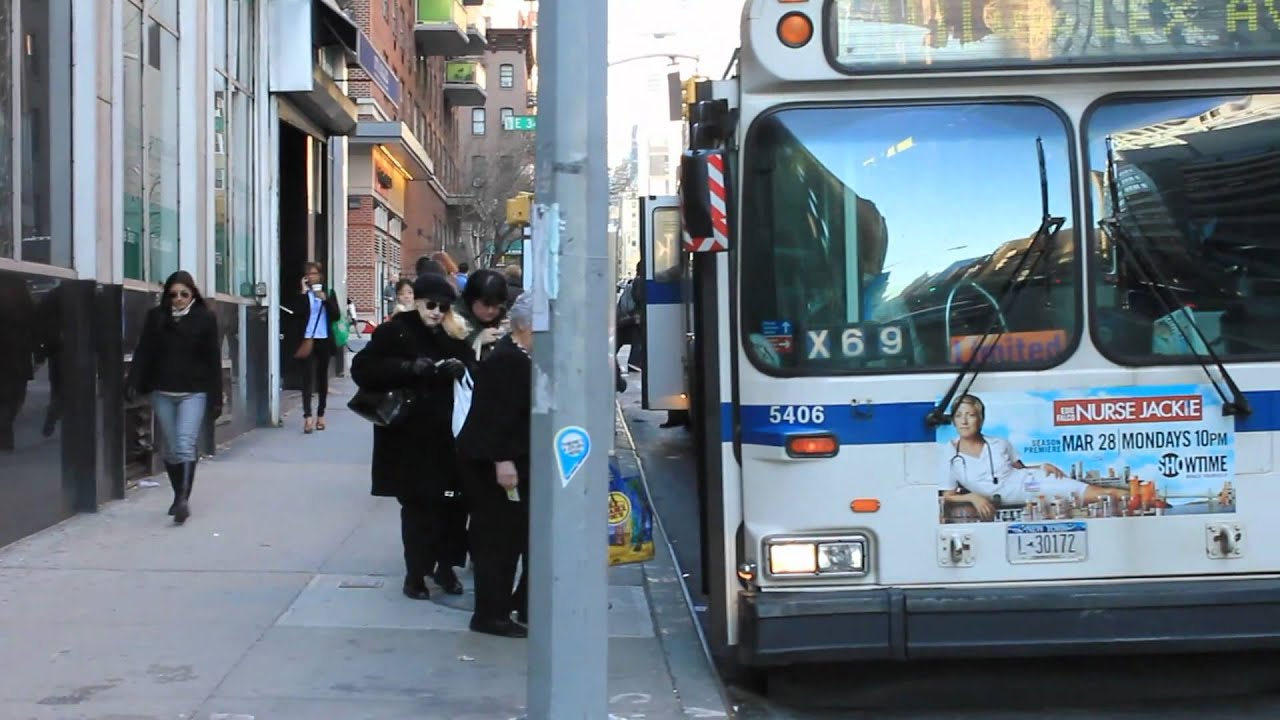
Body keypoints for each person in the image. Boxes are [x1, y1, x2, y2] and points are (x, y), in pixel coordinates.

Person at [350, 273, 471, 600]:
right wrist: (408, 368)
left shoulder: (453, 333)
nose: (436, 312)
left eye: (443, 307)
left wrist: (459, 368)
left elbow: (471, 370)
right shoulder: (395, 331)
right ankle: (416, 573)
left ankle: (446, 568)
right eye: (431, 305)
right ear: (416, 301)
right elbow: (363, 369)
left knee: (452, 506)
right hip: (408, 436)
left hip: (447, 436)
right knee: (418, 509)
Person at [456, 291, 534, 638]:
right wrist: (503, 461)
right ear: (528, 326)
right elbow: (496, 417)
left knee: (509, 538)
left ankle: (505, 604)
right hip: (496, 466)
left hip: (505, 460)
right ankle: (492, 613)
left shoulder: (514, 356)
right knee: (498, 541)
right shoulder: (508, 361)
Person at [126, 271, 222, 524]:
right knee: (170, 449)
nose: (178, 299)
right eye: (173, 295)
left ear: (193, 294)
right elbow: (143, 351)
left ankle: (182, 499)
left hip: (194, 392)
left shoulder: (205, 319)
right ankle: (178, 494)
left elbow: (213, 359)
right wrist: (133, 382)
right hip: (162, 391)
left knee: (183, 443)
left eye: (184, 294)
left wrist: (216, 397)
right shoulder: (156, 318)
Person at [940, 394, 1127, 521]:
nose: (964, 421)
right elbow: (946, 496)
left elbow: (1020, 470)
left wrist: (1041, 467)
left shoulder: (999, 444)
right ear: (953, 420)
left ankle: (1141, 497)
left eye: (970, 415)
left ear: (980, 419)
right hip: (1019, 498)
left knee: (1104, 495)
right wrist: (973, 497)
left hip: (1033, 484)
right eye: (958, 416)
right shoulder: (949, 453)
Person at [292, 262, 342, 434]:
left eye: (314, 274)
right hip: (308, 339)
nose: (312, 277)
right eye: (308, 274)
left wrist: (325, 299)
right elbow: (296, 314)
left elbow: (336, 315)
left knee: (322, 378)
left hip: (324, 339)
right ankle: (307, 417)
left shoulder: (327, 293)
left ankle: (321, 414)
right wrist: (303, 293)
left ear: (320, 276)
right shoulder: (303, 294)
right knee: (307, 378)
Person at [455, 269, 510, 362]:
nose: (491, 311)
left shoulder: (503, 316)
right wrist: (477, 341)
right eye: (486, 304)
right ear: (471, 299)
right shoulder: (453, 319)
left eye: (496, 305)